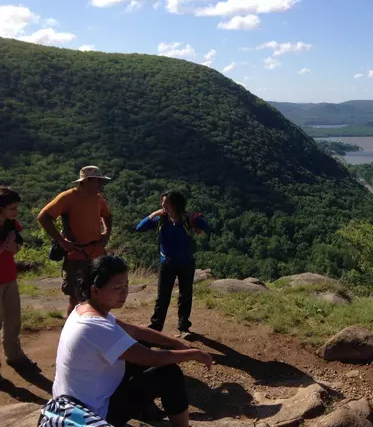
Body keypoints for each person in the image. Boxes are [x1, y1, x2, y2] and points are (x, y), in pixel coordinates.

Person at [51, 255, 214, 427]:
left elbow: (135, 331)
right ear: (95, 290)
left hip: (71, 401)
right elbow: (152, 358)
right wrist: (193, 354)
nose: (124, 292)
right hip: (91, 414)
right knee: (169, 373)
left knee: (138, 345)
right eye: (117, 287)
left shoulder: (83, 310)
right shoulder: (96, 327)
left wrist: (175, 343)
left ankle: (145, 410)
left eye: (126, 285)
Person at [38, 166, 113, 316]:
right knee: (76, 297)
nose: (100, 184)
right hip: (76, 255)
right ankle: (71, 332)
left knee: (96, 293)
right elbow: (43, 217)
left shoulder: (97, 198)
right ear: (86, 181)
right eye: (97, 181)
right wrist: (61, 241)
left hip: (96, 254)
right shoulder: (68, 197)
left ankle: (92, 326)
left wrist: (107, 233)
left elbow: (107, 215)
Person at [136, 190, 209, 339]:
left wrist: (193, 217)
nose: (163, 205)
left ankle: (183, 327)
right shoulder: (161, 220)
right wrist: (154, 214)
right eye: (162, 202)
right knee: (162, 296)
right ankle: (156, 327)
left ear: (175, 204)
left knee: (185, 295)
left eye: (166, 202)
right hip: (167, 263)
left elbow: (207, 226)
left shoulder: (187, 220)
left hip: (186, 263)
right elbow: (140, 228)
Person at [0, 187, 39, 372]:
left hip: (9, 277)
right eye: (12, 208)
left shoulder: (11, 224)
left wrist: (14, 247)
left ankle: (14, 355)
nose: (16, 212)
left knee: (13, 320)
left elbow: (18, 244)